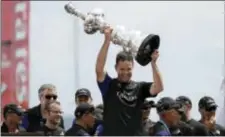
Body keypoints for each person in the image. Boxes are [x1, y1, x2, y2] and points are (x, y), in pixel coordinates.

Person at [95, 27, 164, 136]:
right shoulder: (109, 85)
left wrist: (153, 63)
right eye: (122, 69)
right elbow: (99, 69)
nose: (125, 72)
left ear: (133, 67)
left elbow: (159, 87)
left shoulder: (140, 87)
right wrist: (107, 41)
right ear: (116, 68)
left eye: (128, 69)